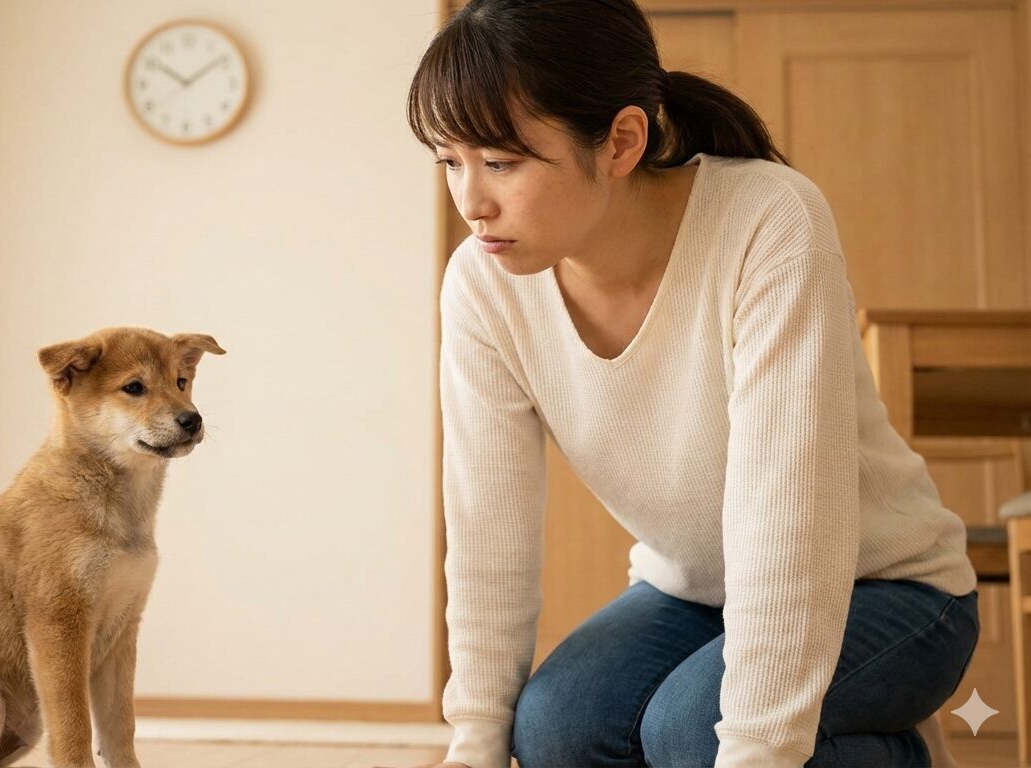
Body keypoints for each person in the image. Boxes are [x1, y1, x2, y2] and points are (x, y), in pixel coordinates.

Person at [404, 1, 980, 766]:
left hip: (889, 589)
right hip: (692, 591)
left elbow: (789, 507)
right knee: (551, 730)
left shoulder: (767, 220)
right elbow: (488, 521)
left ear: (621, 141)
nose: (471, 201)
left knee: (694, 729)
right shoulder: (482, 283)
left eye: (502, 162)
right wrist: (476, 740)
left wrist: (760, 746)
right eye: (450, 162)